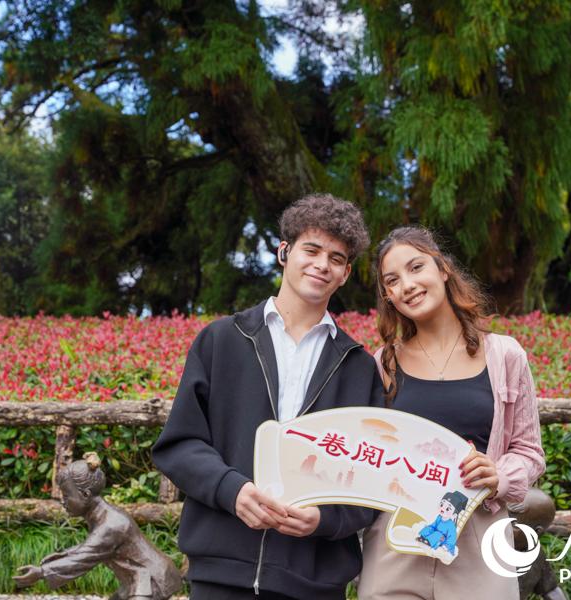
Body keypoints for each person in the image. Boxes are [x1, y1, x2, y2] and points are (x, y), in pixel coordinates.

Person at [152, 193, 385, 600]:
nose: (321, 264)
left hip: (314, 583)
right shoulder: (221, 340)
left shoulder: (359, 367)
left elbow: (371, 478)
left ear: (345, 273)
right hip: (220, 575)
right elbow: (180, 444)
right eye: (311, 250)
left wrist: (325, 519)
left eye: (335, 258)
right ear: (284, 252)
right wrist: (232, 490)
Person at [357, 226, 545, 600]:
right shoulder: (383, 363)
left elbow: (529, 452)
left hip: (479, 540)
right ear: (388, 296)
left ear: (442, 269)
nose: (407, 285)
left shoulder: (505, 356)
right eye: (392, 281)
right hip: (396, 542)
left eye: (416, 267)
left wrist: (499, 475)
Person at [13, 453, 182, 599]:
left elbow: (84, 557)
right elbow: (90, 547)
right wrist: (60, 556)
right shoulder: (103, 516)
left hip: (153, 580)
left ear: (85, 494)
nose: (63, 501)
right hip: (137, 578)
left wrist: (41, 572)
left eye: (66, 495)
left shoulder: (111, 524)